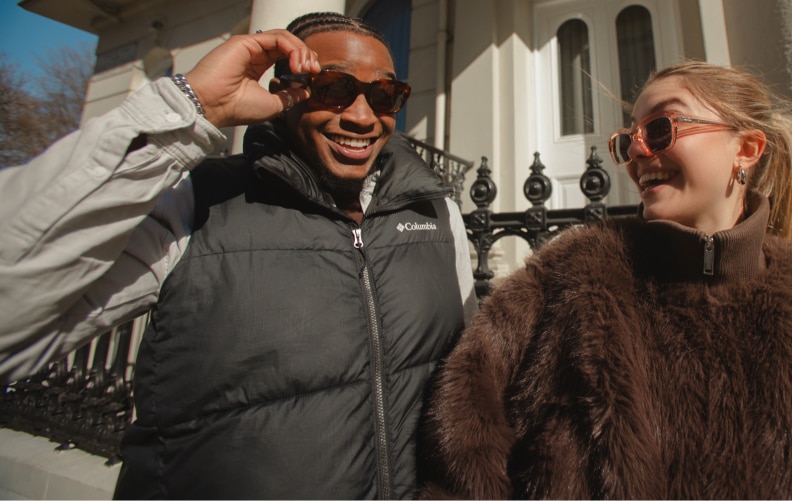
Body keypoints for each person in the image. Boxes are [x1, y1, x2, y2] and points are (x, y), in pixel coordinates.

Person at [415, 60, 792, 499]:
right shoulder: (565, 280)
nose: (639, 152)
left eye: (663, 129)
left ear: (746, 148)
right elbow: (462, 440)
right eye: (629, 140)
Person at [0, 12, 476, 499]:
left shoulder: (438, 217)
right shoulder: (193, 204)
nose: (360, 116)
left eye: (384, 95)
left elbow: (472, 392)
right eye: (333, 87)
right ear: (287, 89)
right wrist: (192, 108)